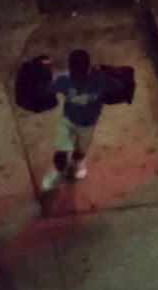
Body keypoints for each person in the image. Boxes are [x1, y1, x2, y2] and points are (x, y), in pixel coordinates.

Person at [40, 49, 115, 192]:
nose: (76, 77)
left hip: (88, 124)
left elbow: (116, 87)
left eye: (79, 73)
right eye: (73, 72)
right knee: (61, 150)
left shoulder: (99, 80)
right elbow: (47, 89)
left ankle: (76, 163)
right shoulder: (64, 80)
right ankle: (57, 171)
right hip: (68, 121)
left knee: (80, 150)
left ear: (88, 69)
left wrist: (105, 77)